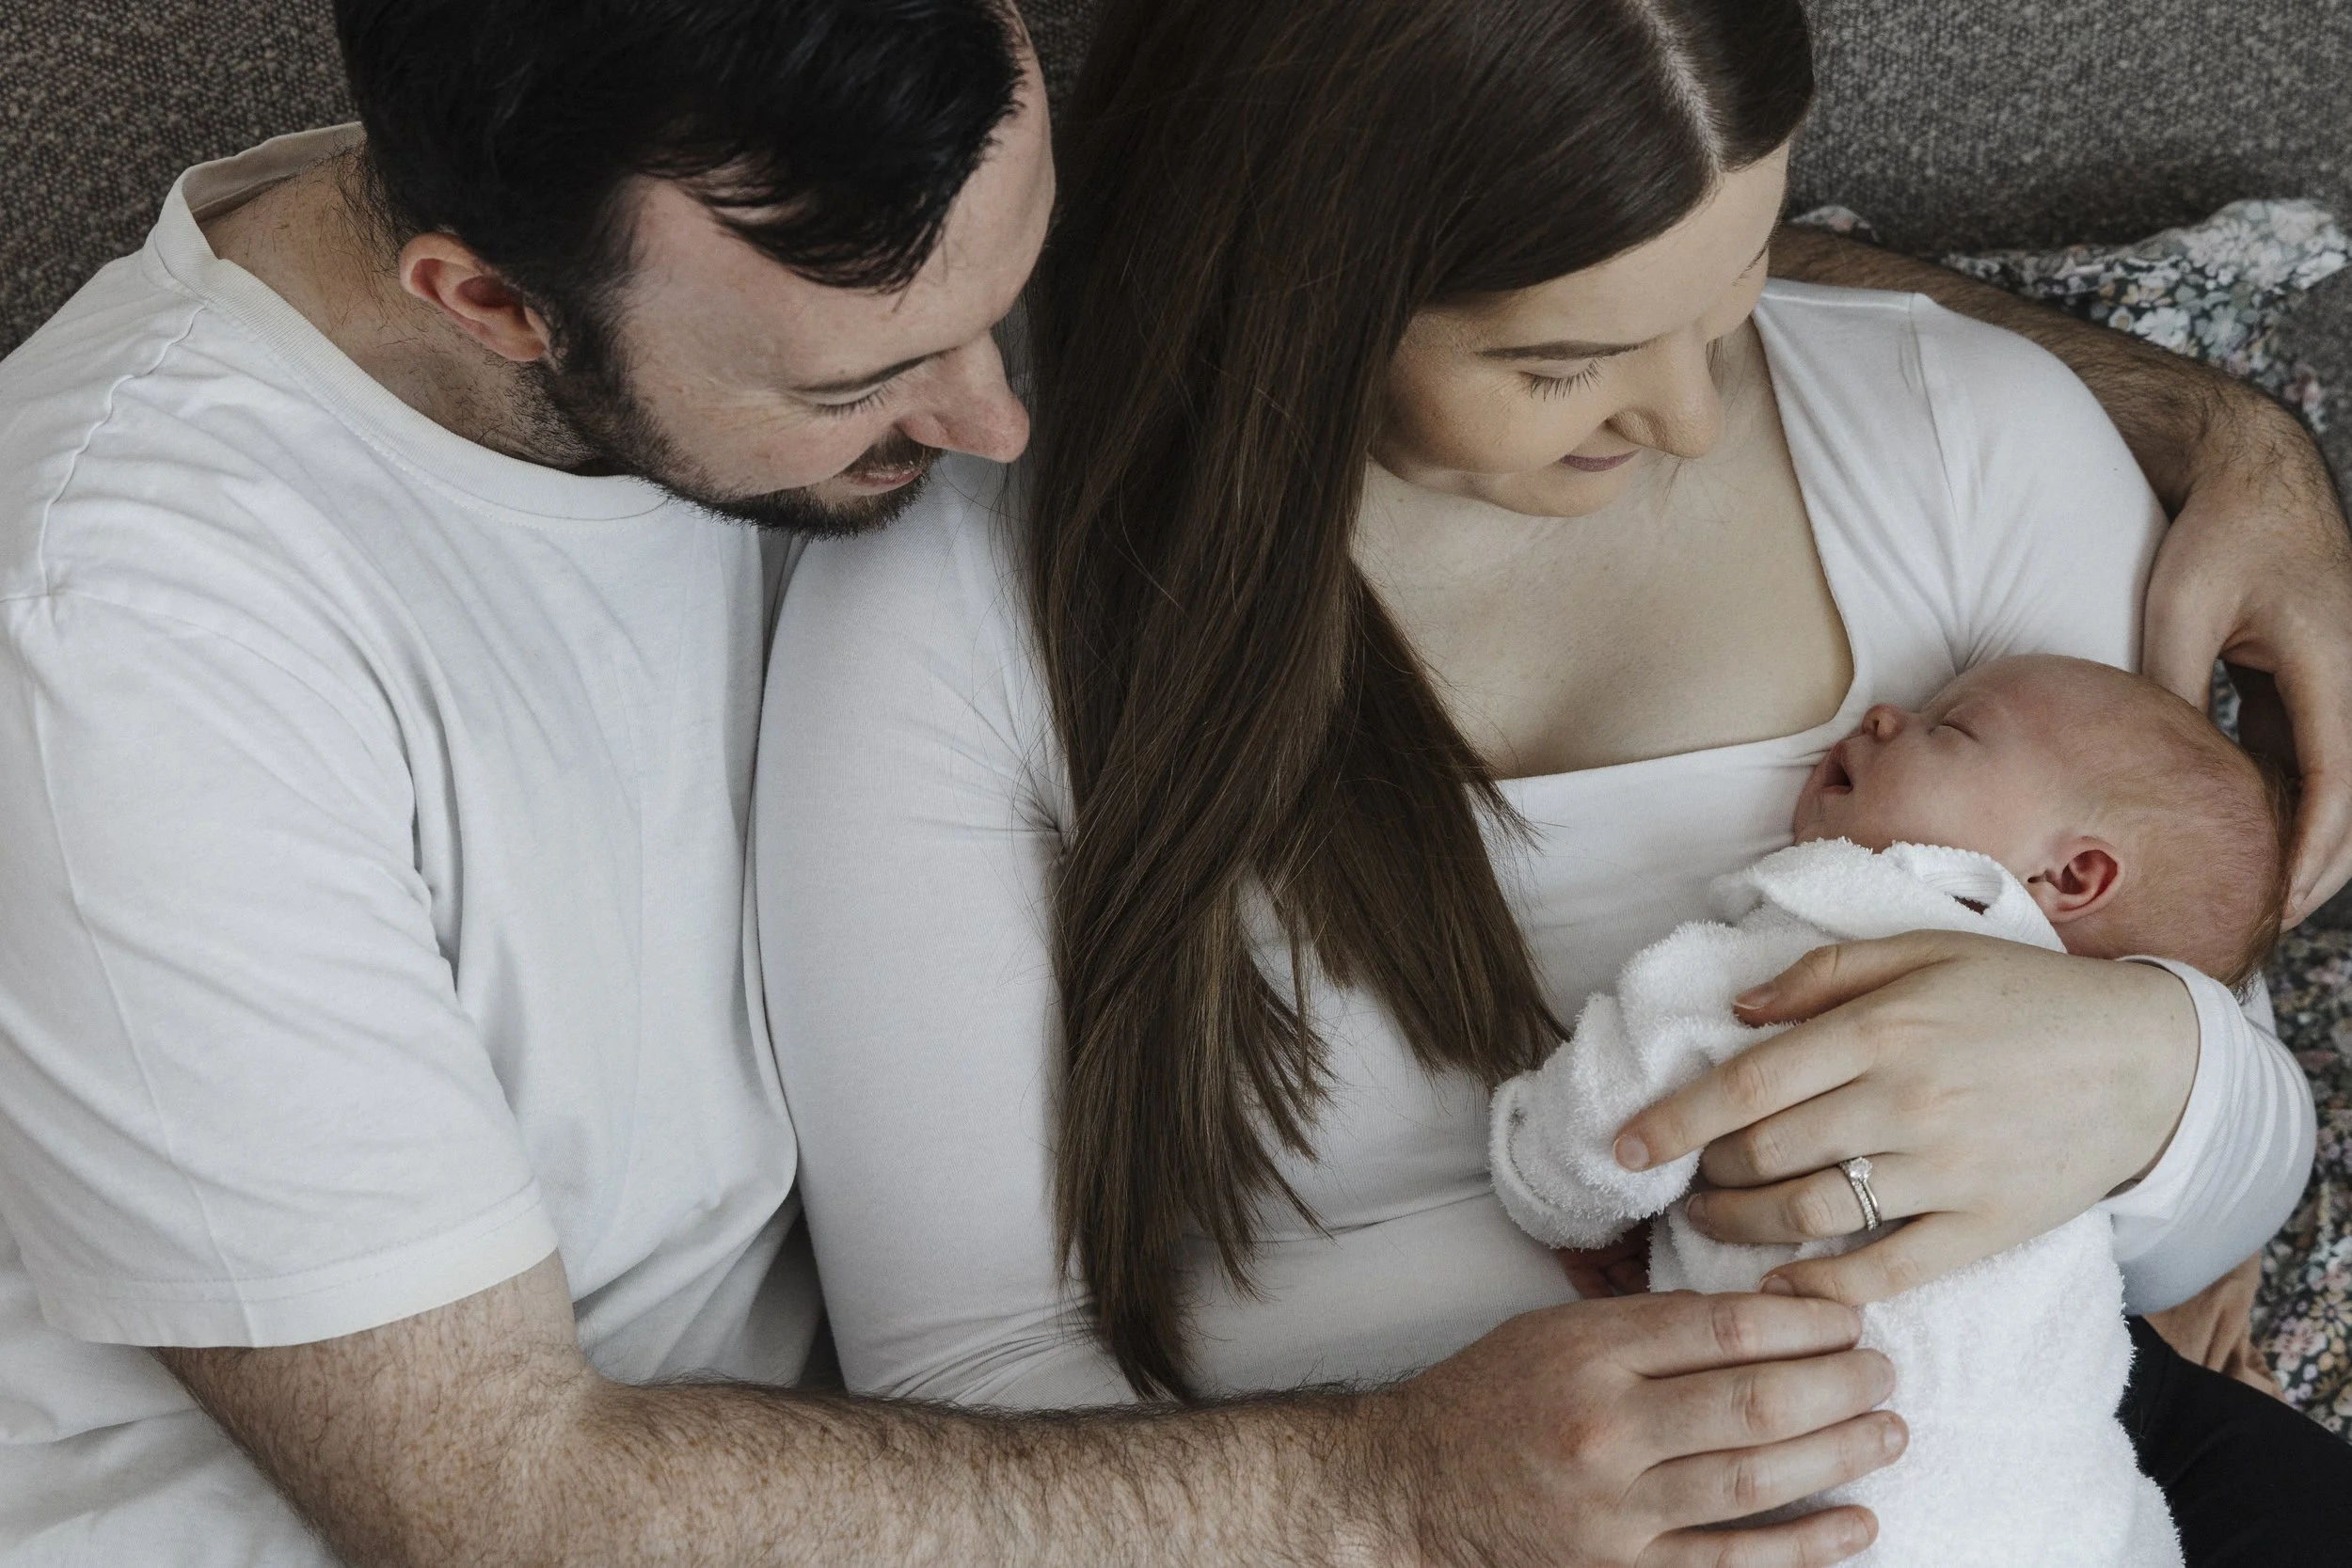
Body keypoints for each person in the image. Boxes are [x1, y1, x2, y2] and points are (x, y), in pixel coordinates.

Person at [0, 1, 2339, 1566]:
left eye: (1017, 292)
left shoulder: (820, 205)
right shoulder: (134, 635)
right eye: (894, 380)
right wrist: (1399, 1492)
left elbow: (1453, 221)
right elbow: (494, 1498)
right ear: (493, 303)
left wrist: (2215, 425)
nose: (1002, 428)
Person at [755, 0, 2352, 1560]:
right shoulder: (958, 603)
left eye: (1737, 294)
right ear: (1303, 288)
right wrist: (1397, 1494)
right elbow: (958, 1387)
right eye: (1560, 360)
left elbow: (2224, 1182)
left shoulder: (1969, 444)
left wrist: (2149, 1069)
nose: (1684, 413)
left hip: (1959, 1482)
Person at [1493, 655, 2348, 1566]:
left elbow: (1619, 1099)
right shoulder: (2057, 1033)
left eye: (1952, 728)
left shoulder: (1825, 926)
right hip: (2068, 1497)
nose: (1885, 715)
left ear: (2072, 874)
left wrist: (1545, 1185)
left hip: (1842, 1493)